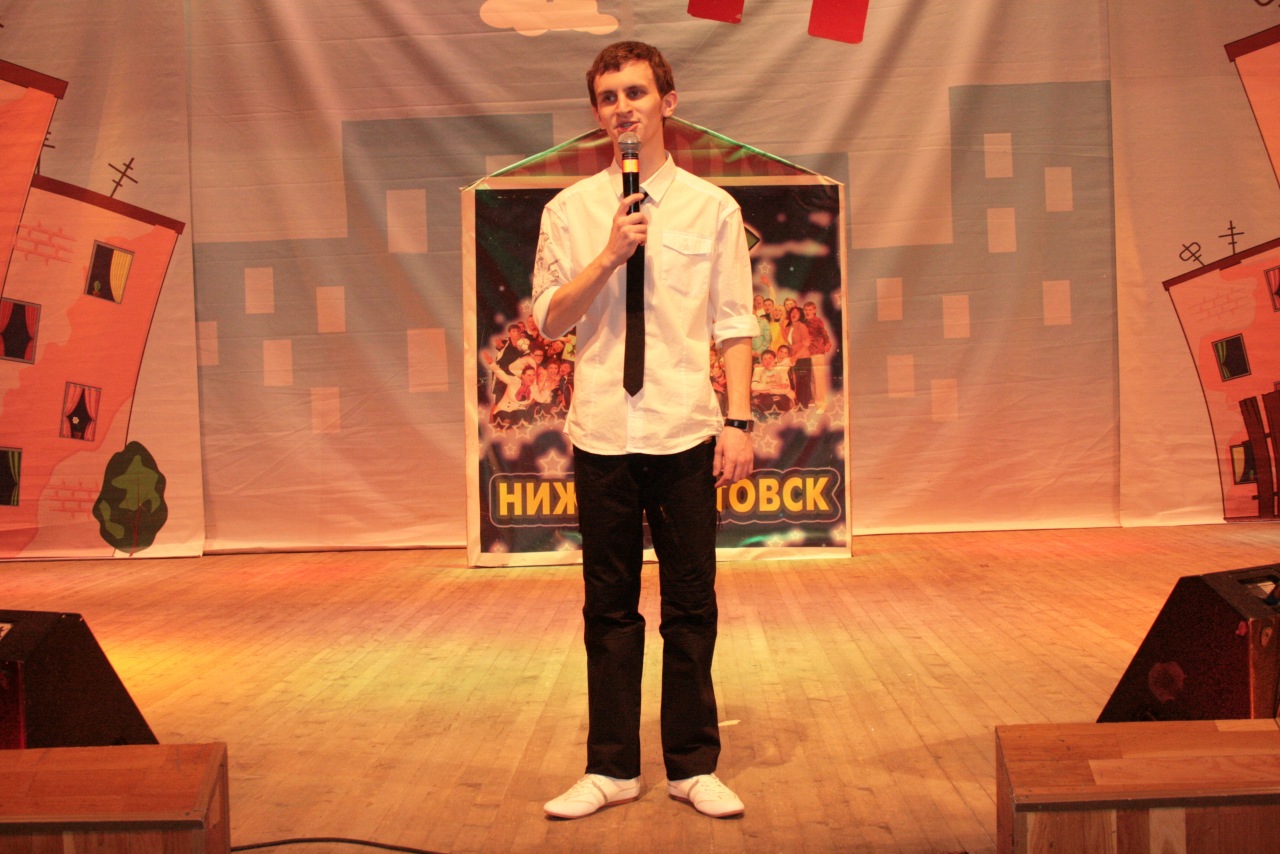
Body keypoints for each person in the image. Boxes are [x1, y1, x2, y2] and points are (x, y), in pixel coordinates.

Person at [531, 40, 755, 821]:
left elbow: (734, 325)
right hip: (602, 434)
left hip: (686, 432)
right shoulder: (569, 211)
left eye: (635, 92)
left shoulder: (711, 208)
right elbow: (548, 320)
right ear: (597, 115)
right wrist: (607, 256)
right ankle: (612, 767)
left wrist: (738, 421)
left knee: (692, 605)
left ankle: (693, 766)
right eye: (608, 97)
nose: (622, 107)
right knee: (609, 609)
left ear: (668, 101)